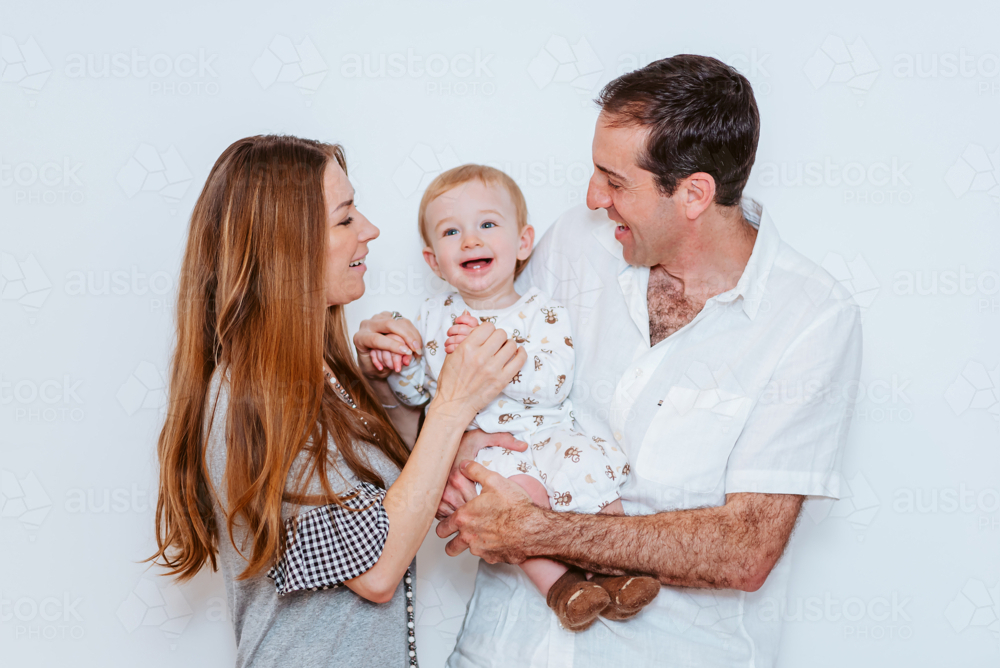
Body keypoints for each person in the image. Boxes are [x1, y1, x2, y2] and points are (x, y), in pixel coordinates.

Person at [435, 55, 864, 667]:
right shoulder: (575, 242)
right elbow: (477, 351)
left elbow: (744, 549)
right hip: (499, 651)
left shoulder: (811, 318)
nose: (592, 196)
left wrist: (535, 531)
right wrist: (398, 349)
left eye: (614, 181)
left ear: (694, 194)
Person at [148, 134, 526, 668]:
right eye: (346, 217)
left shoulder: (317, 375)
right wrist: (453, 405)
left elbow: (379, 504)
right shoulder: (248, 398)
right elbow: (374, 570)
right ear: (289, 245)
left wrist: (386, 397)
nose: (370, 230)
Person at [373, 164, 660, 631]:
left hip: (545, 437)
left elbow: (553, 383)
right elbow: (419, 396)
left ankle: (621, 572)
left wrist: (492, 350)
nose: (470, 240)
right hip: (488, 459)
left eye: (487, 225)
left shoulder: (540, 311)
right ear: (433, 261)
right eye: (451, 231)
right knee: (509, 511)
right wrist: (400, 366)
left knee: (596, 477)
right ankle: (563, 589)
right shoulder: (431, 317)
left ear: (523, 242)